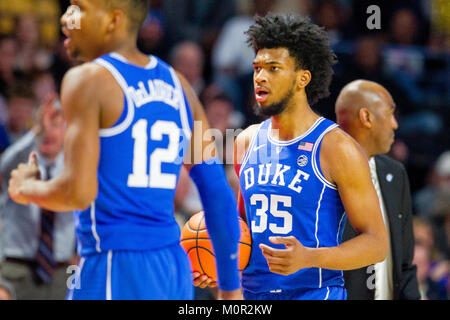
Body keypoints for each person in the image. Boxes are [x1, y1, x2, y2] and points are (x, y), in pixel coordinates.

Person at [8, 0, 241, 300]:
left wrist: (27, 187)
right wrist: (231, 290)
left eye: (78, 8)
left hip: (115, 263)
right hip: (172, 269)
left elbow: (77, 192)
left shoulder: (88, 79)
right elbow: (217, 194)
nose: (66, 18)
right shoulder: (180, 85)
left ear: (112, 19)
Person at [195, 14, 388, 300]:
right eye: (257, 68)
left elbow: (376, 243)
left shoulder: (336, 147)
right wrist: (212, 263)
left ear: (302, 78)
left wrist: (310, 257)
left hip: (315, 292)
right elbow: (243, 231)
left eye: (273, 68)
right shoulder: (245, 141)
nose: (260, 77)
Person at [335, 79, 420, 300]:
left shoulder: (395, 173)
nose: (395, 124)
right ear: (366, 117)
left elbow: (405, 265)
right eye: (390, 113)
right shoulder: (324, 175)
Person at [0, 96, 76, 300]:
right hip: (17, 268)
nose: (48, 132)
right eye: (43, 126)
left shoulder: (75, 170)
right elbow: (4, 164)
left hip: (60, 271)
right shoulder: (19, 161)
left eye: (55, 125)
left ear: (67, 131)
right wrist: (36, 131)